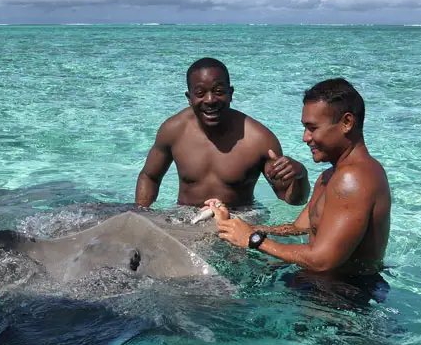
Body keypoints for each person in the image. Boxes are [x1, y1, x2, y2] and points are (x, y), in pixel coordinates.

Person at [209, 78, 391, 275]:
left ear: (347, 122)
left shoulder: (353, 179)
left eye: (312, 128)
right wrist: (235, 226)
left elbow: (322, 260)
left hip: (344, 298)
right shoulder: (329, 176)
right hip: (321, 287)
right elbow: (297, 228)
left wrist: (254, 239)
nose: (305, 137)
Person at [135, 58, 309, 208]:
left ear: (230, 93)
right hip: (185, 216)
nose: (210, 100)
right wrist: (141, 214)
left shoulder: (259, 140)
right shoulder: (173, 130)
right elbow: (150, 176)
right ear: (189, 98)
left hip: (239, 218)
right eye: (200, 93)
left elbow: (292, 201)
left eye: (218, 92)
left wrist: (301, 175)